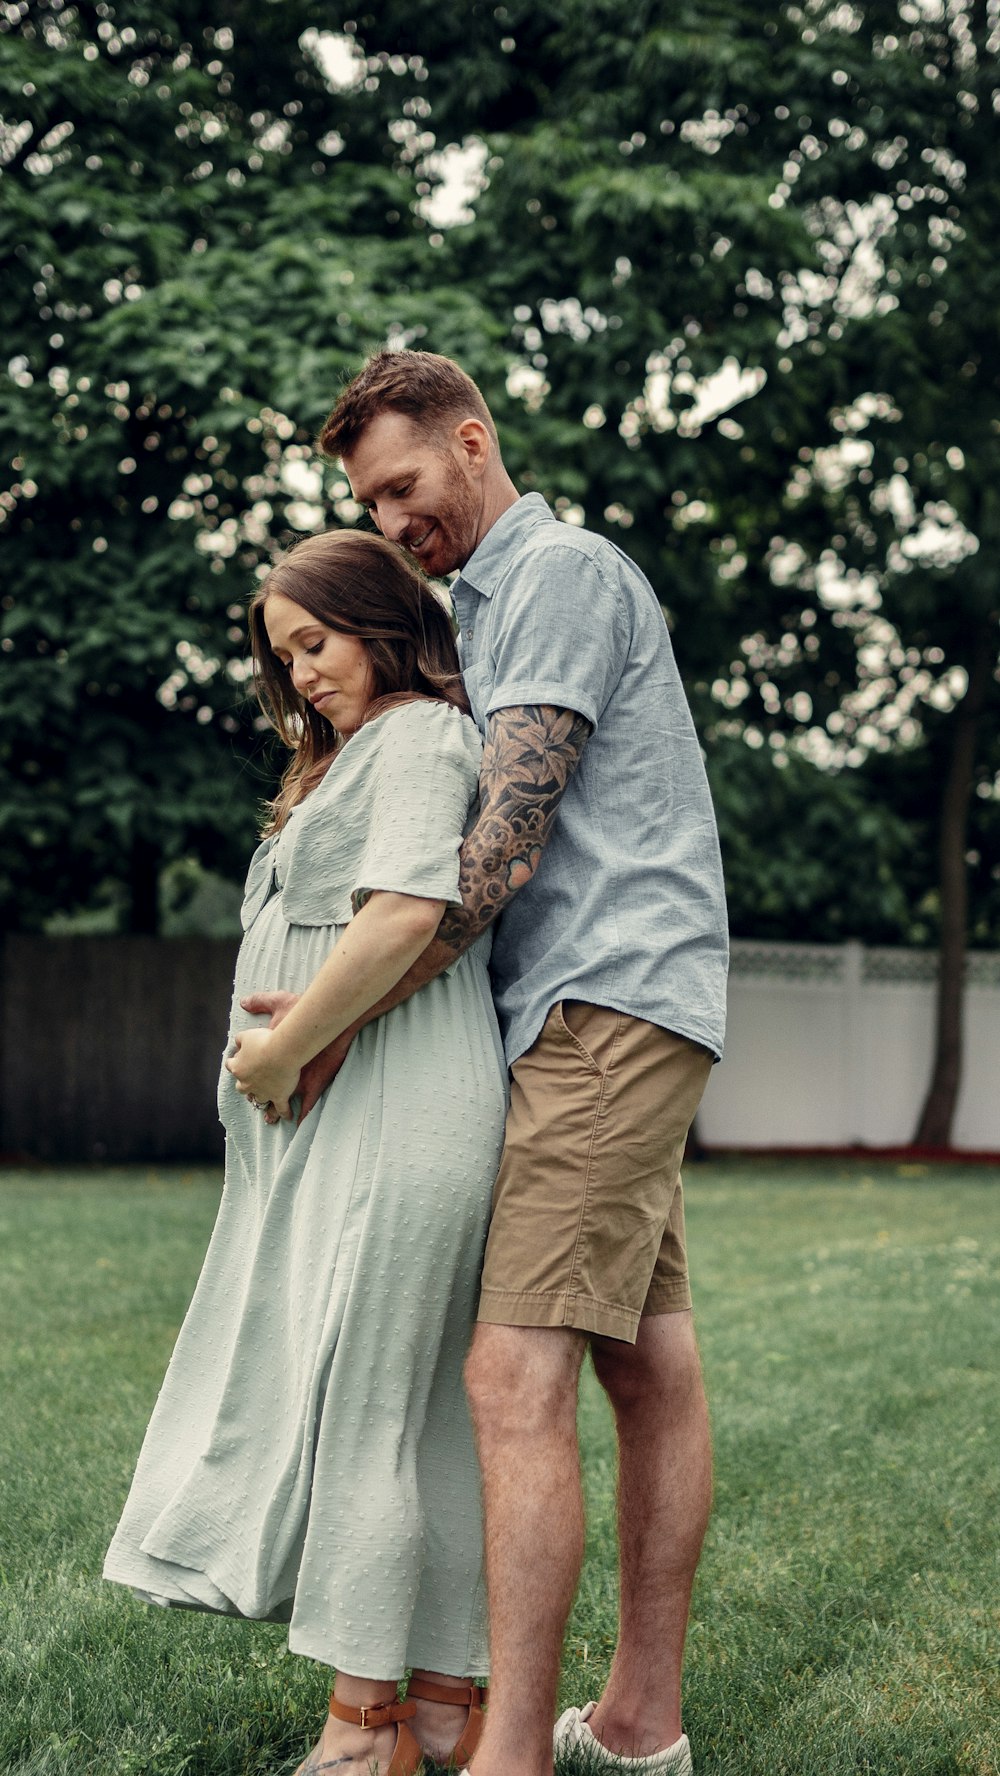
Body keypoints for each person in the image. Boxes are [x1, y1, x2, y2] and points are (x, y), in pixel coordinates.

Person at [249, 351, 729, 1776]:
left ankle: (507, 1754)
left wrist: (320, 1032)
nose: (392, 520)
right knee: (647, 1370)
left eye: (402, 487)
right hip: (595, 1011)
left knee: (511, 1376)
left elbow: (502, 844)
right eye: (366, 501)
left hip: (601, 1002)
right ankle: (639, 1727)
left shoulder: (559, 572)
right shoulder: (488, 608)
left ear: (472, 444)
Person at [103, 529, 509, 1776]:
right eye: (286, 658)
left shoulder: (424, 737)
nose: (304, 673)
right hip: (343, 1111)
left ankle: (359, 1730)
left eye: (317, 643)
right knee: (412, 1417)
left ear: (384, 620)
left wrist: (281, 1056)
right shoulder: (334, 760)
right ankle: (442, 1705)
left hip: (400, 1096)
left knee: (372, 1416)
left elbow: (404, 915)